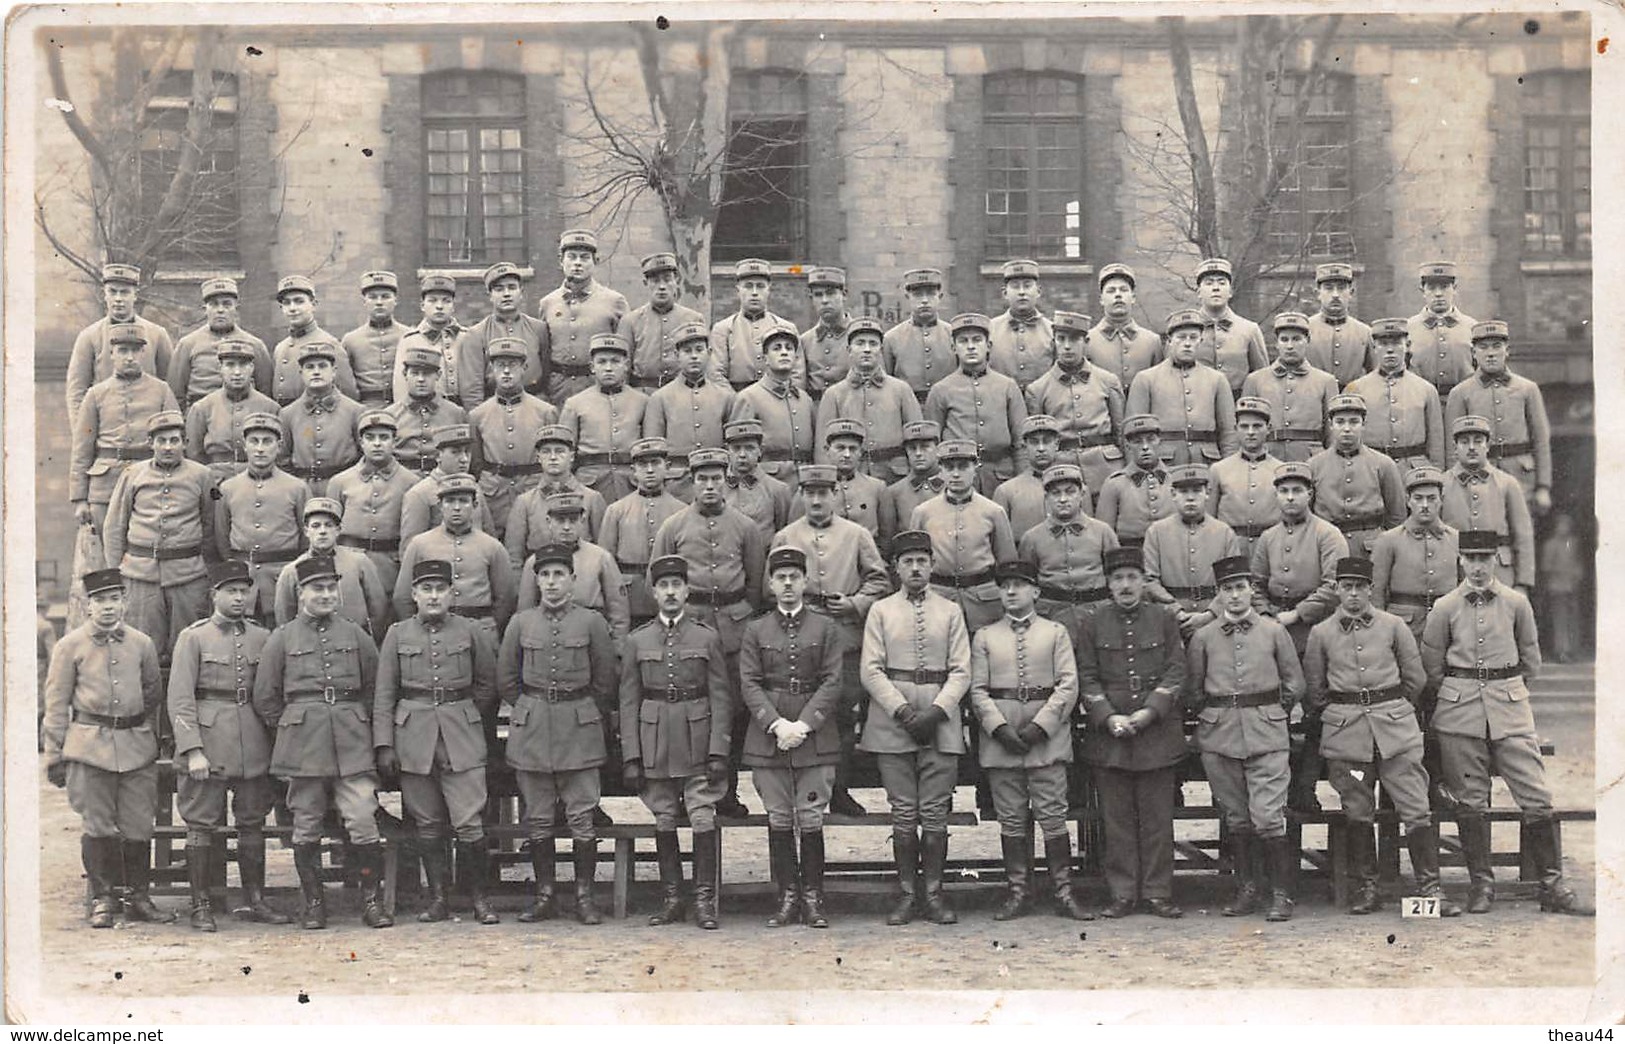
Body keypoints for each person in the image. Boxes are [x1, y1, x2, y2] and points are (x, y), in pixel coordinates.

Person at [1421, 529, 1588, 916]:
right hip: (1459, 713)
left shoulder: (1516, 604)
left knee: (1536, 796)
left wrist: (1504, 690)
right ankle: (1482, 885)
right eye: (1471, 559)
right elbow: (1432, 667)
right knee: (1471, 802)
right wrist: (1463, 691)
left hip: (1510, 709)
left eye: (1485, 559)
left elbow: (1531, 661)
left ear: (1496, 560)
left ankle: (1551, 885)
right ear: (1460, 561)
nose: (1478, 567)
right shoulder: (1445, 607)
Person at [1303, 556, 1459, 917]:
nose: (1353, 594)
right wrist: (1341, 713)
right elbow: (1315, 689)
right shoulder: (1321, 633)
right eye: (1346, 587)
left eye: (1360, 586)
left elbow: (1415, 678)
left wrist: (1394, 708)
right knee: (1358, 811)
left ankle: (1430, 889)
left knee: (1415, 807)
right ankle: (1366, 888)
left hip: (1395, 732)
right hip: (1348, 738)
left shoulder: (1392, 626)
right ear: (1337, 590)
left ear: (1370, 589)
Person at [253, 556, 387, 930]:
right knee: (306, 823)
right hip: (303, 744)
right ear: (301, 593)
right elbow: (266, 696)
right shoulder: (282, 637)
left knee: (362, 818)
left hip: (352, 740)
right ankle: (313, 903)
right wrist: (294, 726)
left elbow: (376, 689)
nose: (326, 595)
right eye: (318, 589)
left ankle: (371, 901)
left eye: (331, 588)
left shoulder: (357, 635)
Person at [374, 558, 501, 925]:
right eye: (426, 589)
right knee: (427, 823)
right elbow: (385, 694)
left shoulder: (471, 631)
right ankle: (438, 899)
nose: (433, 596)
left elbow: (487, 684)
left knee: (469, 822)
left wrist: (461, 714)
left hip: (461, 733)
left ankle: (479, 898)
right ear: (413, 594)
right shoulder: (397, 634)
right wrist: (385, 745)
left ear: (451, 593)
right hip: (413, 738)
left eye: (440, 589)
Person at [497, 544, 619, 924]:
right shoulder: (520, 623)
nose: (551, 583)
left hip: (579, 727)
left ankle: (585, 896)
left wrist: (580, 711)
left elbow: (605, 682)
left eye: (559, 575)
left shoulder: (592, 623)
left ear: (572, 580)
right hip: (533, 728)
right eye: (545, 575)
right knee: (538, 817)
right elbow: (506, 679)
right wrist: (529, 709)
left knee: (582, 816)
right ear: (536, 580)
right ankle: (545, 894)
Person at [42, 568, 171, 928]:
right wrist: (55, 753)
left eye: (114, 598)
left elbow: (152, 693)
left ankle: (139, 897)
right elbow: (56, 702)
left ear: (125, 601)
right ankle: (103, 897)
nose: (108, 606)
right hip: (88, 747)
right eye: (100, 600)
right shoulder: (70, 646)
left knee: (137, 825)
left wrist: (137, 728)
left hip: (135, 746)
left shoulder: (141, 644)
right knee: (97, 825)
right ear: (88, 605)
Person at [858, 529, 972, 926]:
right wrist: (904, 712)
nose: (916, 568)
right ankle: (907, 894)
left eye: (922, 560)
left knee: (936, 813)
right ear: (896, 568)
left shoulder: (951, 610)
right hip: (893, 724)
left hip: (940, 722)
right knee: (904, 813)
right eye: (908, 561)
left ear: (932, 565)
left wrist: (937, 712)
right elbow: (870, 670)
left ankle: (934, 894)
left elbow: (962, 670)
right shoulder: (881, 610)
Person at [166, 560, 289, 931]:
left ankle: (255, 898)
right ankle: (201, 903)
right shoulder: (194, 637)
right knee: (200, 823)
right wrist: (192, 750)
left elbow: (269, 693)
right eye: (231, 591)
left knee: (252, 821)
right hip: (207, 740)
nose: (239, 598)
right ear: (214, 595)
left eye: (244, 591)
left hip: (251, 740)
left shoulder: (262, 637)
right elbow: (180, 698)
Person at [1183, 555, 1306, 922]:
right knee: (1236, 818)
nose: (1234, 596)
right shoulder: (1203, 636)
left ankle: (1282, 894)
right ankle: (1247, 889)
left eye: (1240, 588)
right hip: (1219, 735)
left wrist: (1269, 710)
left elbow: (1294, 682)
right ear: (1217, 595)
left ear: (1251, 590)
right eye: (1226, 589)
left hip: (1266, 732)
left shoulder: (1273, 631)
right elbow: (1192, 689)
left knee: (1268, 816)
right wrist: (1214, 713)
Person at [968, 559, 1091, 921]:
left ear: (1035, 591)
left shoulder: (1055, 633)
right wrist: (999, 728)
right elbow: (977, 690)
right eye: (1004, 586)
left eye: (1019, 585)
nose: (1010, 592)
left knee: (1053, 816)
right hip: (1001, 742)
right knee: (1011, 819)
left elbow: (1068, 685)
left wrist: (1041, 727)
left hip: (1047, 741)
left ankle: (1063, 892)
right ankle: (1018, 892)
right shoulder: (985, 636)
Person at [650, 448, 768, 819]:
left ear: (726, 479)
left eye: (717, 478)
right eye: (702, 479)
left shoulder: (745, 527)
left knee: (729, 712)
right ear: (692, 482)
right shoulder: (674, 526)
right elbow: (658, 577)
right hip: (691, 627)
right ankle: (688, 793)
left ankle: (726, 791)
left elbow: (755, 581)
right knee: (690, 711)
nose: (710, 486)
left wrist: (740, 615)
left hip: (734, 628)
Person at [771, 464, 893, 818]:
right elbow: (772, 586)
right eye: (810, 493)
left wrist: (854, 603)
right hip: (800, 635)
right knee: (801, 710)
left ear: (836, 495)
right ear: (801, 496)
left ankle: (839, 789)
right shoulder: (786, 537)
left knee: (841, 715)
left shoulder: (856, 535)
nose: (817, 500)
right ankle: (801, 790)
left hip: (844, 636)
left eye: (823, 493)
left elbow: (878, 580)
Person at [619, 555, 733, 929]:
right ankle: (672, 898)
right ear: (653, 592)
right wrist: (632, 756)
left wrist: (719, 750)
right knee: (664, 816)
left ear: (687, 591)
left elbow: (720, 697)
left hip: (697, 739)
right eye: (663, 586)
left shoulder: (707, 637)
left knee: (702, 815)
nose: (670, 593)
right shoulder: (638, 641)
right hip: (656, 741)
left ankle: (704, 900)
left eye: (676, 586)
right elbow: (628, 701)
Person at [1076, 546, 1187, 919]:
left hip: (1156, 735)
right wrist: (1107, 717)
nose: (1126, 585)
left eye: (1132, 578)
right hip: (1111, 739)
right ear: (1108, 584)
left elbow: (1176, 672)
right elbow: (1087, 677)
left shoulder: (1165, 619)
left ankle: (1157, 892)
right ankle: (1122, 893)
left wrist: (1149, 712)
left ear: (1143, 582)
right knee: (1117, 822)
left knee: (1157, 821)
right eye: (1118, 579)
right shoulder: (1092, 623)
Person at [739, 546, 847, 927]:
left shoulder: (826, 628)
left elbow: (834, 680)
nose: (787, 584)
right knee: (780, 818)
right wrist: (775, 724)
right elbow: (749, 682)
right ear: (770, 584)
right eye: (780, 578)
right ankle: (787, 897)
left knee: (812, 818)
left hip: (814, 737)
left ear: (805, 582)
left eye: (794, 577)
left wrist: (803, 724)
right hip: (769, 736)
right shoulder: (755, 630)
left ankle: (814, 898)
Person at [1251, 461, 1348, 814]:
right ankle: (1277, 789)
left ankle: (1305, 788)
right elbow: (1257, 584)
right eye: (1284, 491)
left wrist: (1298, 614)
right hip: (1275, 632)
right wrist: (1266, 616)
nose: (1290, 497)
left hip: (1315, 633)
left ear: (1310, 494)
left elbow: (1334, 585)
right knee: (1276, 710)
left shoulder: (1327, 534)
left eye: (1297, 491)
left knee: (1315, 712)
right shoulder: (1268, 537)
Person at [103, 410, 218, 663]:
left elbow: (210, 526)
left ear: (185, 443)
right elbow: (114, 526)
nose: (167, 447)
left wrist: (209, 571)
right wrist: (115, 572)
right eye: (161, 440)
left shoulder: (202, 475)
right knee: (143, 650)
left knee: (188, 648)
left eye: (174, 440)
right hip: (140, 575)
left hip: (188, 576)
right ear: (150, 442)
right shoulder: (133, 474)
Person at [69, 323, 181, 541]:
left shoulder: (161, 391)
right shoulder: (95, 395)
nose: (129, 357)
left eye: (135, 351)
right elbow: (82, 449)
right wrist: (80, 499)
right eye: (123, 351)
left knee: (147, 544)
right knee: (107, 552)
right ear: (111, 354)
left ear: (143, 353)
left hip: (150, 480)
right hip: (104, 486)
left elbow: (175, 442)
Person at [909, 439, 1017, 633]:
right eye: (950, 467)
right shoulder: (923, 512)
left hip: (983, 603)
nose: (956, 474)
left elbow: (1007, 563)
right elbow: (914, 559)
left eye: (963, 467)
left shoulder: (993, 511)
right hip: (939, 598)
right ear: (940, 470)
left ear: (975, 467)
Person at [1444, 320, 1554, 514]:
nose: (1491, 353)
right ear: (1474, 353)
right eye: (1483, 347)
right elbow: (1452, 446)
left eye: (1497, 346)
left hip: (1522, 478)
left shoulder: (1527, 389)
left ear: (1507, 350)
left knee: (1522, 534)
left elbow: (1541, 440)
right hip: (1476, 478)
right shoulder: (1460, 393)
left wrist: (1543, 487)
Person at [393, 474, 516, 642]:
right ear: (440, 506)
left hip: (480, 631)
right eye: (450, 501)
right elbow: (403, 597)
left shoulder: (492, 547)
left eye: (463, 501)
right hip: (433, 632)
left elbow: (505, 598)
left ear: (474, 505)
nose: (456, 507)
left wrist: (488, 628)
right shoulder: (419, 544)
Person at [212, 412, 309, 626]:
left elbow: (305, 538)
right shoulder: (228, 488)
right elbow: (221, 535)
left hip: (279, 579)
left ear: (279, 446)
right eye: (254, 441)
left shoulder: (297, 488)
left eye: (267, 441)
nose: (260, 448)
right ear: (244, 445)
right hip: (242, 581)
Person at [925, 312, 1028, 497]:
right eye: (963, 341)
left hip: (1001, 476)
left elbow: (1021, 441)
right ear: (953, 348)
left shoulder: (1007, 386)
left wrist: (1023, 480)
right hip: (958, 478)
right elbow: (932, 444)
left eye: (977, 340)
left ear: (988, 346)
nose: (971, 346)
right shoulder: (941, 390)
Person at [1025, 309, 1124, 499]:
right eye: (1061, 339)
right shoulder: (1037, 390)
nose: (1067, 346)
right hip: (1061, 470)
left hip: (1106, 468)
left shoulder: (1108, 381)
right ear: (1054, 342)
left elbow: (1121, 432)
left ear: (1086, 342)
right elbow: (1038, 440)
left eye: (1074, 339)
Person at [468, 337, 559, 541]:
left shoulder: (545, 412)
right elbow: (476, 463)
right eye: (500, 365)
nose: (506, 371)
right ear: (491, 367)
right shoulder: (478, 415)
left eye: (513, 365)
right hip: (494, 494)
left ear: (524, 367)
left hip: (533, 489)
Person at [65, 263, 174, 429]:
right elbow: (77, 391)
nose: (118, 299)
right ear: (104, 294)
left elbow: (169, 387)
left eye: (124, 292)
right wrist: (83, 433)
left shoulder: (157, 335)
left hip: (148, 432)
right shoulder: (89, 337)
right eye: (112, 292)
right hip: (106, 431)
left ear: (135, 295)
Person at [1018, 463, 1119, 641]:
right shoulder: (1032, 538)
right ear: (1046, 498)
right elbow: (1026, 584)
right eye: (1055, 493)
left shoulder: (1103, 532)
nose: (1063, 499)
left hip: (1097, 614)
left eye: (1070, 491)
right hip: (1050, 617)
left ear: (1082, 494)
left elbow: (1116, 576)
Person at [597, 437, 688, 629]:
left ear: (667, 467)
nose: (649, 470)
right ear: (633, 470)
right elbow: (605, 562)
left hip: (669, 596)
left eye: (655, 463)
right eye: (642, 464)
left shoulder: (682, 511)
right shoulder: (616, 510)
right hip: (629, 600)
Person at [815, 317, 921, 482]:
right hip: (851, 477)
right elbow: (823, 449)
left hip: (895, 477)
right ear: (849, 349)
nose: (867, 349)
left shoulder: (901, 390)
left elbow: (917, 439)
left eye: (873, 344)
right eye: (860, 343)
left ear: (880, 349)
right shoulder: (834, 394)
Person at [1127, 309, 1237, 466]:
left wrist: (1227, 470)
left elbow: (1229, 433)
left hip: (1208, 462)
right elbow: (1133, 434)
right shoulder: (1146, 379)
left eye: (1193, 338)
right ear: (1169, 340)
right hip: (1164, 464)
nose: (1187, 343)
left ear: (1200, 341)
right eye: (1181, 337)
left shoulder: (1217, 380)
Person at [1142, 464, 1240, 639]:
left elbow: (1234, 580)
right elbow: (1149, 580)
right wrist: (1177, 611)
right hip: (1171, 621)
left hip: (1215, 621)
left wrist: (1209, 614)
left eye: (1196, 491)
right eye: (1183, 492)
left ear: (1207, 493)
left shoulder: (1224, 532)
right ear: (1173, 495)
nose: (1190, 498)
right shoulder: (1156, 532)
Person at [1439, 414, 1536, 592]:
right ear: (1455, 447)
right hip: (1455, 573)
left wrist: (1523, 583)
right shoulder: (1441, 485)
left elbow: (1523, 535)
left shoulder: (1507, 483)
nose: (1471, 447)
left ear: (1488, 446)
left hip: (1500, 571)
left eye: (1478, 441)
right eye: (1464, 442)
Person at [514, 493, 629, 641]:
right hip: (549, 636)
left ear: (582, 520)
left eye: (573, 520)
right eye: (560, 521)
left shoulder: (601, 557)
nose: (567, 527)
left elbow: (618, 609)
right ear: (549, 522)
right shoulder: (535, 561)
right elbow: (526, 610)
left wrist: (617, 646)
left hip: (592, 635)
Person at [643, 322, 736, 502]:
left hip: (714, 482)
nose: (694, 356)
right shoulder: (660, 398)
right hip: (676, 484)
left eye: (699, 350)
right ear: (677, 356)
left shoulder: (725, 397)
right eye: (687, 351)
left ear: (709, 353)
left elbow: (732, 445)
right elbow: (654, 449)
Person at [326, 409, 419, 592]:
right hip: (349, 566)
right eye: (370, 437)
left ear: (394, 441)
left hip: (390, 567)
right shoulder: (340, 481)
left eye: (384, 437)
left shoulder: (411, 483)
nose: (377, 444)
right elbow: (330, 529)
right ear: (361, 442)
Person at [273, 497, 390, 638]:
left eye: (328, 525)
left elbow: (378, 608)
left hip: (353, 642)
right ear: (306, 531)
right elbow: (284, 616)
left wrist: (368, 640)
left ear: (338, 530)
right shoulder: (292, 571)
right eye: (316, 526)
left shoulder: (359, 562)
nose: (322, 531)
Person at [1307, 394, 1406, 558]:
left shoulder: (1383, 464)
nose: (1347, 428)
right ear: (1331, 425)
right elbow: (1308, 514)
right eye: (1340, 422)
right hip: (1328, 546)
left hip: (1370, 548)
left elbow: (1396, 516)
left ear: (1364, 424)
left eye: (1354, 422)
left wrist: (1385, 547)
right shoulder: (1314, 465)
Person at [1345, 317, 1445, 473]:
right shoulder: (1356, 389)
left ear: (1408, 346)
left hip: (1414, 471)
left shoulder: (1426, 389)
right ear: (1374, 347)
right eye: (1383, 344)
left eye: (1396, 343)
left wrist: (1436, 475)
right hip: (1370, 469)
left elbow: (1436, 443)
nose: (1390, 350)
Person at [728, 319, 817, 494]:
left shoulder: (804, 399)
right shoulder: (749, 397)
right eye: (777, 348)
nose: (784, 352)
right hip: (766, 486)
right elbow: (739, 451)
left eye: (789, 348)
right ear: (765, 358)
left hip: (803, 487)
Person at [560, 332, 647, 506]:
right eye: (602, 362)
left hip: (630, 485)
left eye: (615, 361)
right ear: (592, 367)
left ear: (626, 365)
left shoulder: (642, 401)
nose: (608, 368)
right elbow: (565, 453)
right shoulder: (575, 403)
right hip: (589, 484)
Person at [502, 425, 608, 568]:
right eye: (546, 452)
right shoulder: (525, 502)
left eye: (559, 451)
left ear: (572, 456)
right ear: (538, 457)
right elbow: (514, 556)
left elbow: (603, 552)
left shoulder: (592, 498)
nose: (553, 457)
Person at [1240, 312, 1338, 462]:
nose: (1290, 346)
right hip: (1267, 459)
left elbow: (1332, 433)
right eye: (1284, 339)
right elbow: (1245, 428)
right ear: (1276, 343)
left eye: (1296, 339)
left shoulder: (1326, 381)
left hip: (1312, 460)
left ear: (1308, 340)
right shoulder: (1255, 380)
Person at [183, 339, 281, 486]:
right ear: (220, 368)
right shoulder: (202, 408)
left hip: (259, 481)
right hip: (215, 481)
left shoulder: (270, 408)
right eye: (230, 365)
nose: (237, 372)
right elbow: (193, 455)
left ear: (252, 368)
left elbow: (279, 453)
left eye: (243, 365)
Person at [278, 340, 366, 497]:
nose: (316, 372)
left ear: (334, 371)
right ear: (301, 373)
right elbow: (283, 460)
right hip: (303, 491)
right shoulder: (288, 414)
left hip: (345, 490)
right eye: (310, 367)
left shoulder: (355, 411)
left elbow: (364, 457)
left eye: (322, 366)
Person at [455, 262, 549, 407]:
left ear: (521, 292)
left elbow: (548, 375)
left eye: (512, 287)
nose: (506, 294)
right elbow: (472, 390)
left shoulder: (539, 329)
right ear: (490, 295)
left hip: (535, 406)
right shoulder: (476, 335)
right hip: (493, 407)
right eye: (499, 289)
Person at [168, 277, 272, 409]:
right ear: (205, 308)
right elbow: (176, 394)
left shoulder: (255, 345)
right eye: (214, 304)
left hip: (245, 415)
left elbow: (266, 393)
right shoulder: (188, 344)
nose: (220, 310)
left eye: (226, 304)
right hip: (200, 415)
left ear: (236, 308)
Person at [1206, 396, 1284, 560]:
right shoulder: (1219, 469)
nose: (1250, 432)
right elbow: (1209, 520)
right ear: (1235, 429)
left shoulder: (1281, 470)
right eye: (1244, 426)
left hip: (1272, 549)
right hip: (1231, 548)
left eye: (1257, 426)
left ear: (1268, 428)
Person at [398, 424, 498, 550]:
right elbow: (410, 549)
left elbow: (490, 539)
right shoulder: (420, 494)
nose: (464, 459)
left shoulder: (475, 488)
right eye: (455, 452)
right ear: (438, 456)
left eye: (467, 451)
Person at [268, 275, 357, 406]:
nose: (292, 308)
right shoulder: (280, 348)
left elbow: (349, 395)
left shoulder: (329, 343)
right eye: (287, 303)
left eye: (299, 301)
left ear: (313, 305)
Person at [709, 257, 796, 392]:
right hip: (736, 398)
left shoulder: (786, 328)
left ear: (769, 289)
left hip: (778, 399)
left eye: (760, 286)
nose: (754, 292)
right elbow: (716, 374)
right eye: (748, 286)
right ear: (738, 290)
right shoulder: (723, 329)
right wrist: (738, 403)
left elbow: (797, 374)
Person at [624, 252, 705, 392]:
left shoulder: (693, 319)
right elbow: (623, 366)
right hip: (643, 393)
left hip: (682, 394)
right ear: (646, 283)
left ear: (676, 282)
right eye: (655, 281)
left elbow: (704, 364)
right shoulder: (630, 321)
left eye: (667, 280)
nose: (662, 286)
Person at [1094, 414, 1176, 551]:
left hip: (1173, 552)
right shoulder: (1114, 484)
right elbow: (1105, 535)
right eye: (1137, 441)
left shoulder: (1175, 479)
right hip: (1132, 558)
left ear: (1160, 441)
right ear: (1127, 445)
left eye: (1151, 440)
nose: (1145, 447)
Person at [387, 345, 470, 476]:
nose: (420, 379)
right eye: (415, 373)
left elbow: (465, 454)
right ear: (405, 374)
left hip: (444, 482)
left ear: (438, 375)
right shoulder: (390, 415)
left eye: (426, 374)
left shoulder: (456, 413)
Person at [1190, 257, 1267, 397]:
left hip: (1239, 408)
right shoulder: (1186, 331)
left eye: (1222, 282)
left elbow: (1262, 378)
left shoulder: (1249, 330)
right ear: (1199, 293)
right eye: (1208, 283)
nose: (1216, 288)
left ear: (1230, 291)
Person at [994, 415, 1075, 542]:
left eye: (1047, 441)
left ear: (1057, 444)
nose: (1041, 448)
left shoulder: (1075, 488)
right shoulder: (1006, 492)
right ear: (1024, 446)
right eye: (1034, 442)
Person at [1404, 261, 1478, 401]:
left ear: (1454, 289)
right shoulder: (1408, 329)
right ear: (1422, 291)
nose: (1438, 294)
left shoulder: (1472, 328)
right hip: (1420, 402)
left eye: (1444, 287)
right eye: (1431, 288)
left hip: (1464, 402)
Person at [882, 268, 957, 403]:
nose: (924, 301)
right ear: (907, 297)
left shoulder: (954, 335)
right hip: (908, 406)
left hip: (948, 405)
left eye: (930, 294)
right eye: (917, 295)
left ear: (940, 296)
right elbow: (886, 384)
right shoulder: (891, 338)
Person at [395, 274, 470, 408]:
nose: (439, 306)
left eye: (446, 301)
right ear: (422, 305)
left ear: (453, 306)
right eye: (432, 300)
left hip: (463, 412)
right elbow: (401, 388)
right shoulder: (410, 340)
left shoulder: (467, 337)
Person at [339, 270, 411, 408]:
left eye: (385, 297)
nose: (379, 302)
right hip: (365, 408)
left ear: (396, 300)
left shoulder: (408, 336)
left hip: (402, 407)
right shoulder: (351, 340)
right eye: (372, 297)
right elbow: (345, 382)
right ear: (364, 301)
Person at [1087, 263, 1163, 393]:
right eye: (1111, 291)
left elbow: (1159, 387)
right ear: (1101, 299)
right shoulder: (1087, 340)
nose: (1118, 295)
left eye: (1123, 290)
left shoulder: (1152, 341)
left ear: (1133, 298)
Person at [877, 420, 946, 557]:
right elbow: (888, 542)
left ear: (938, 449)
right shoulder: (893, 492)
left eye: (925, 447)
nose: (918, 453)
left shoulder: (952, 486)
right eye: (912, 448)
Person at [807, 418, 886, 533]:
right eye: (840, 448)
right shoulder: (811, 488)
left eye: (853, 449)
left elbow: (886, 535)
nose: (847, 454)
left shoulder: (877, 488)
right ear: (827, 450)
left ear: (860, 453)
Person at [1304, 262, 1377, 387]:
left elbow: (1376, 376)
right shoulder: (1305, 329)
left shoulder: (1364, 332)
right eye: (1328, 288)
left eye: (1341, 288)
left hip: (1353, 401)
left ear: (1351, 292)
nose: (1335, 295)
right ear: (1318, 293)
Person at [720, 418, 795, 539]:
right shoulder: (718, 489)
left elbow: (783, 533)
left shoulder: (778, 490)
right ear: (727, 451)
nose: (742, 455)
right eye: (736, 448)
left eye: (749, 448)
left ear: (760, 451)